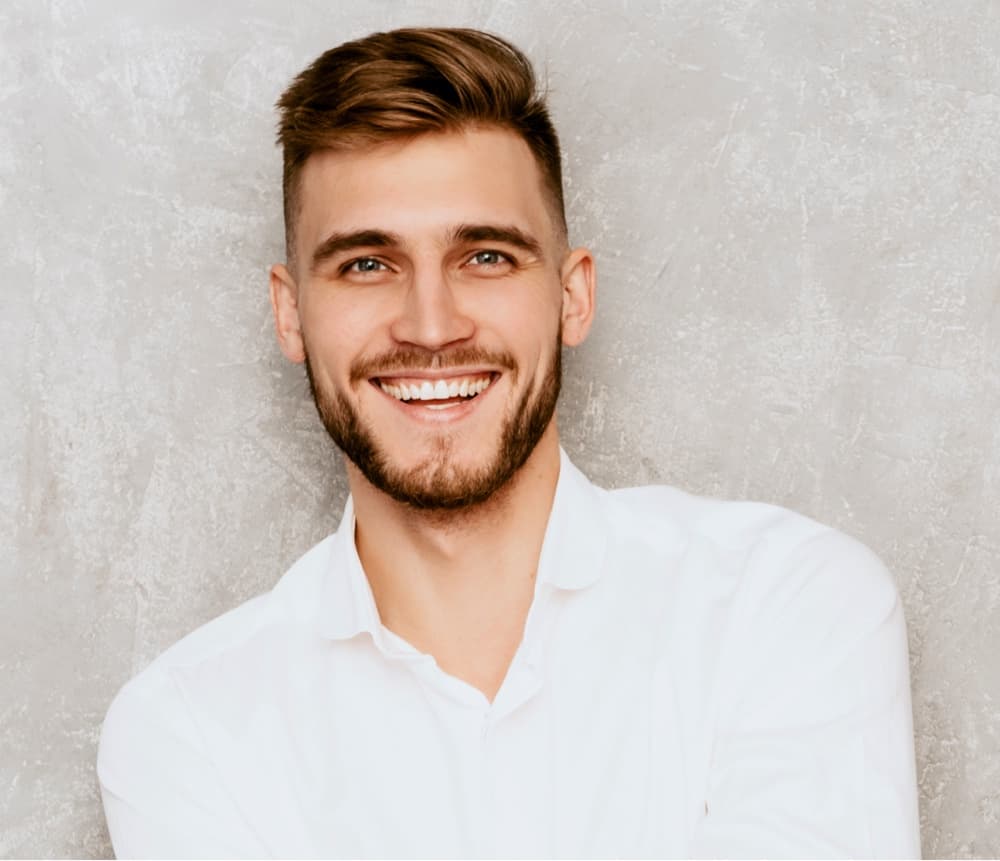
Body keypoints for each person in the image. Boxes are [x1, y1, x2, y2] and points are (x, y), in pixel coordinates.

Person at [97, 27, 921, 858]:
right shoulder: (188, 729)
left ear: (572, 296)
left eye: (485, 256)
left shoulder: (784, 610)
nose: (430, 327)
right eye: (366, 265)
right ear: (289, 313)